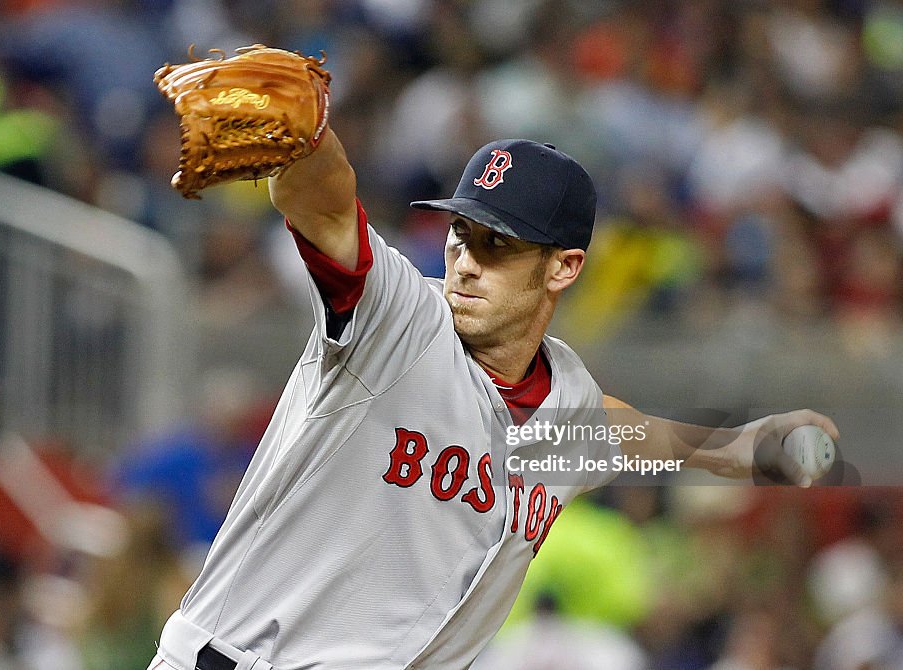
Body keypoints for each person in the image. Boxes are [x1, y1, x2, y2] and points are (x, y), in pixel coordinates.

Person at [146, 128, 840, 670]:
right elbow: (323, 201)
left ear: (564, 266)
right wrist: (309, 135)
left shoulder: (572, 413)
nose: (467, 262)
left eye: (498, 244)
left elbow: (679, 445)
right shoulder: (397, 322)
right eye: (461, 235)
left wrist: (767, 446)